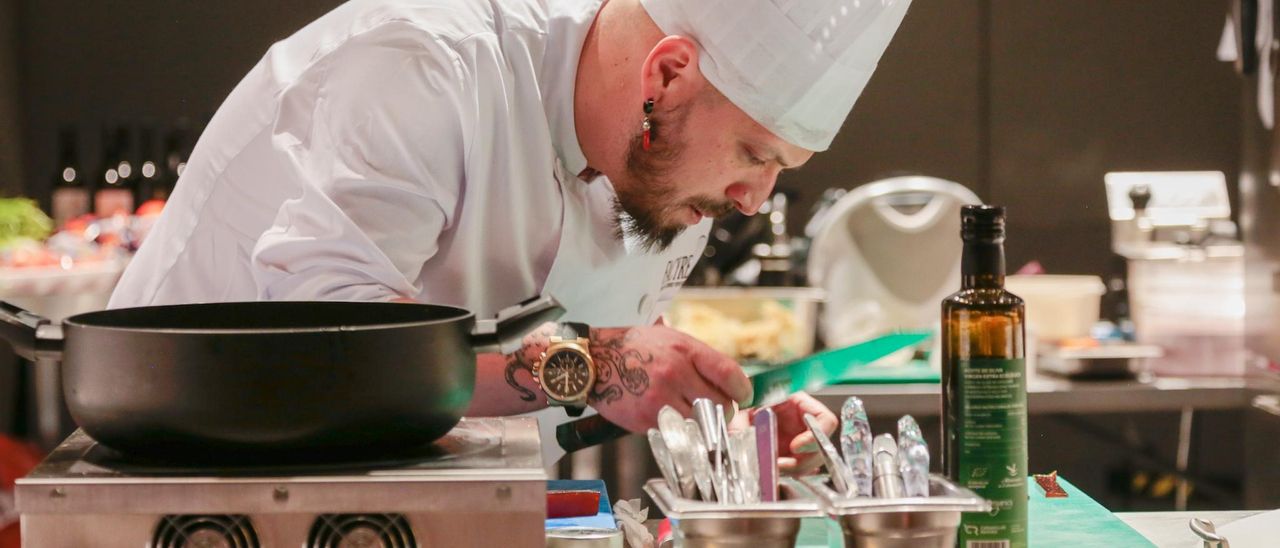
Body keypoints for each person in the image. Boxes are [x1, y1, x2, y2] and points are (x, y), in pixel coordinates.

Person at [109, 0, 913, 470]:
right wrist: (600, 367)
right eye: (753, 156)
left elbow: (605, 360)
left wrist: (720, 426)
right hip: (208, 474)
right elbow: (338, 344)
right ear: (667, 75)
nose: (752, 198)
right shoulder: (425, 65)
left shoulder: (664, 165)